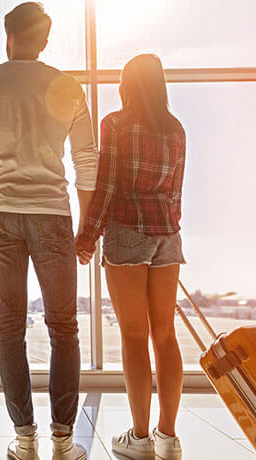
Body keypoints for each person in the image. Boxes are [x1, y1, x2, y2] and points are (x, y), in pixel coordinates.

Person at [0, 3, 97, 459]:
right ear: (46, 41)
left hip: (1, 214)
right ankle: (63, 438)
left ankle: (24, 438)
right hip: (54, 213)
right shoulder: (69, 86)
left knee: (9, 329)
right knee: (64, 328)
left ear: (7, 35)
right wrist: (87, 228)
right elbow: (86, 160)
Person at [76, 54, 186, 460]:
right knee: (166, 336)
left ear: (127, 84)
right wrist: (166, 233)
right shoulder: (176, 129)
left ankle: (139, 440)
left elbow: (105, 187)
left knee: (134, 336)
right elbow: (176, 194)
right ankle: (168, 438)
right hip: (167, 237)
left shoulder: (116, 124)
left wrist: (87, 238)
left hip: (126, 232)